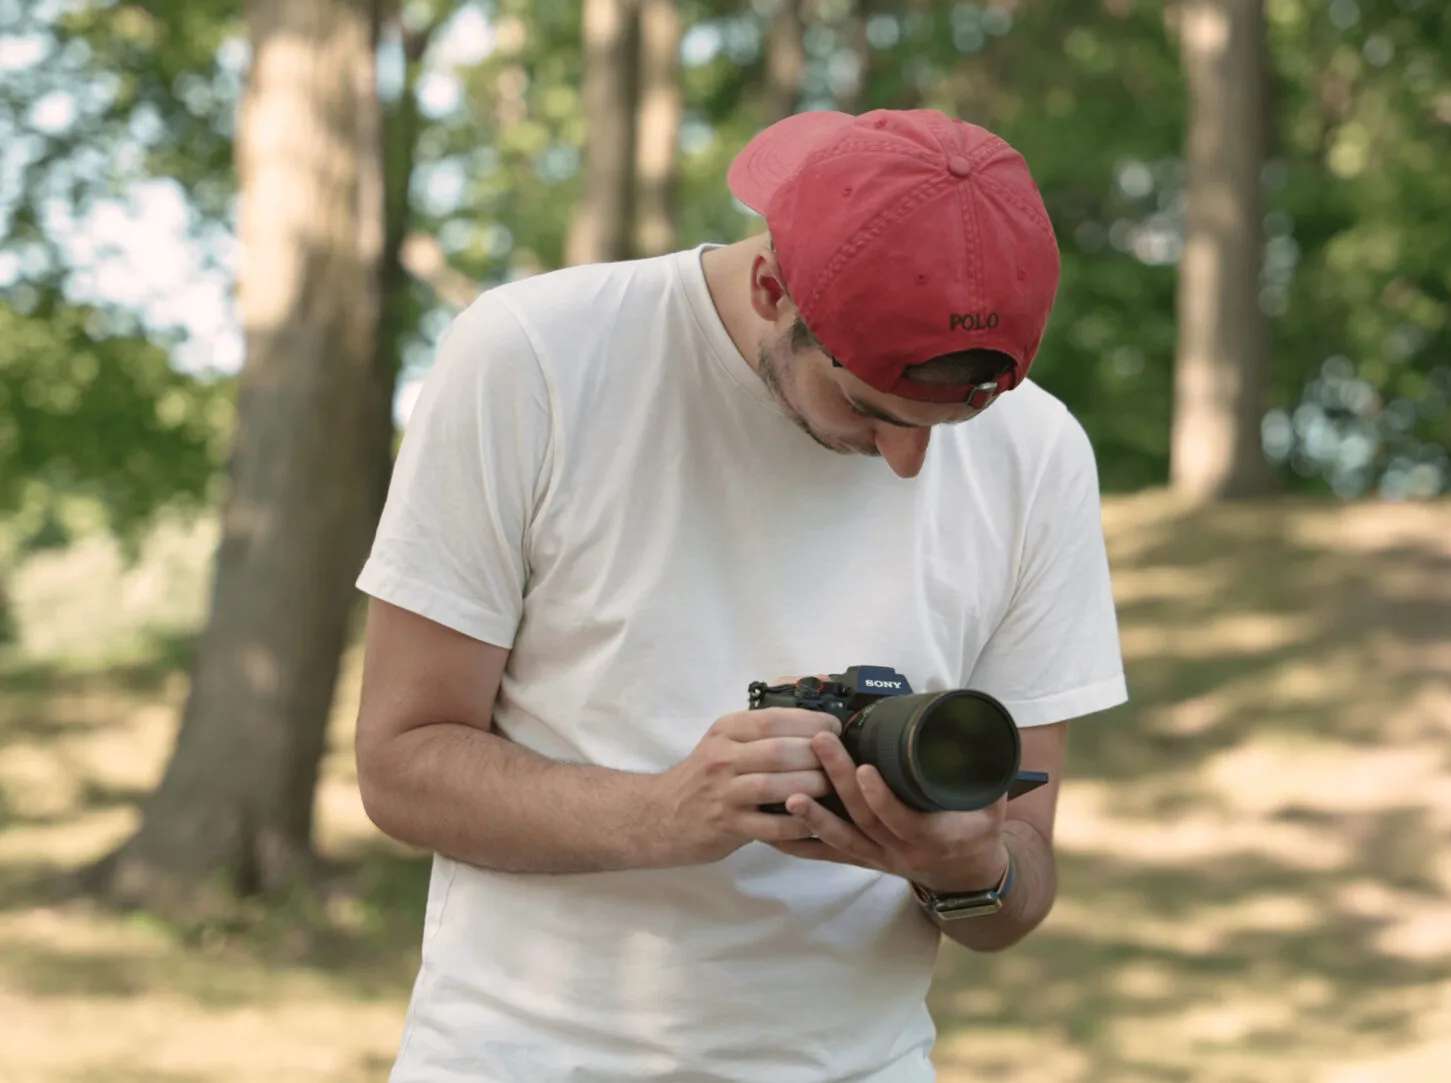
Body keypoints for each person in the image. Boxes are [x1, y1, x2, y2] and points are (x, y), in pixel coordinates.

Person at [350, 106, 1129, 1083]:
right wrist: (666, 817)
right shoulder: (535, 359)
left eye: (951, 425)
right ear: (773, 289)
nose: (908, 464)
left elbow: (1022, 884)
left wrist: (969, 868)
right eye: (868, 409)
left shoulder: (1041, 451)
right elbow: (401, 762)